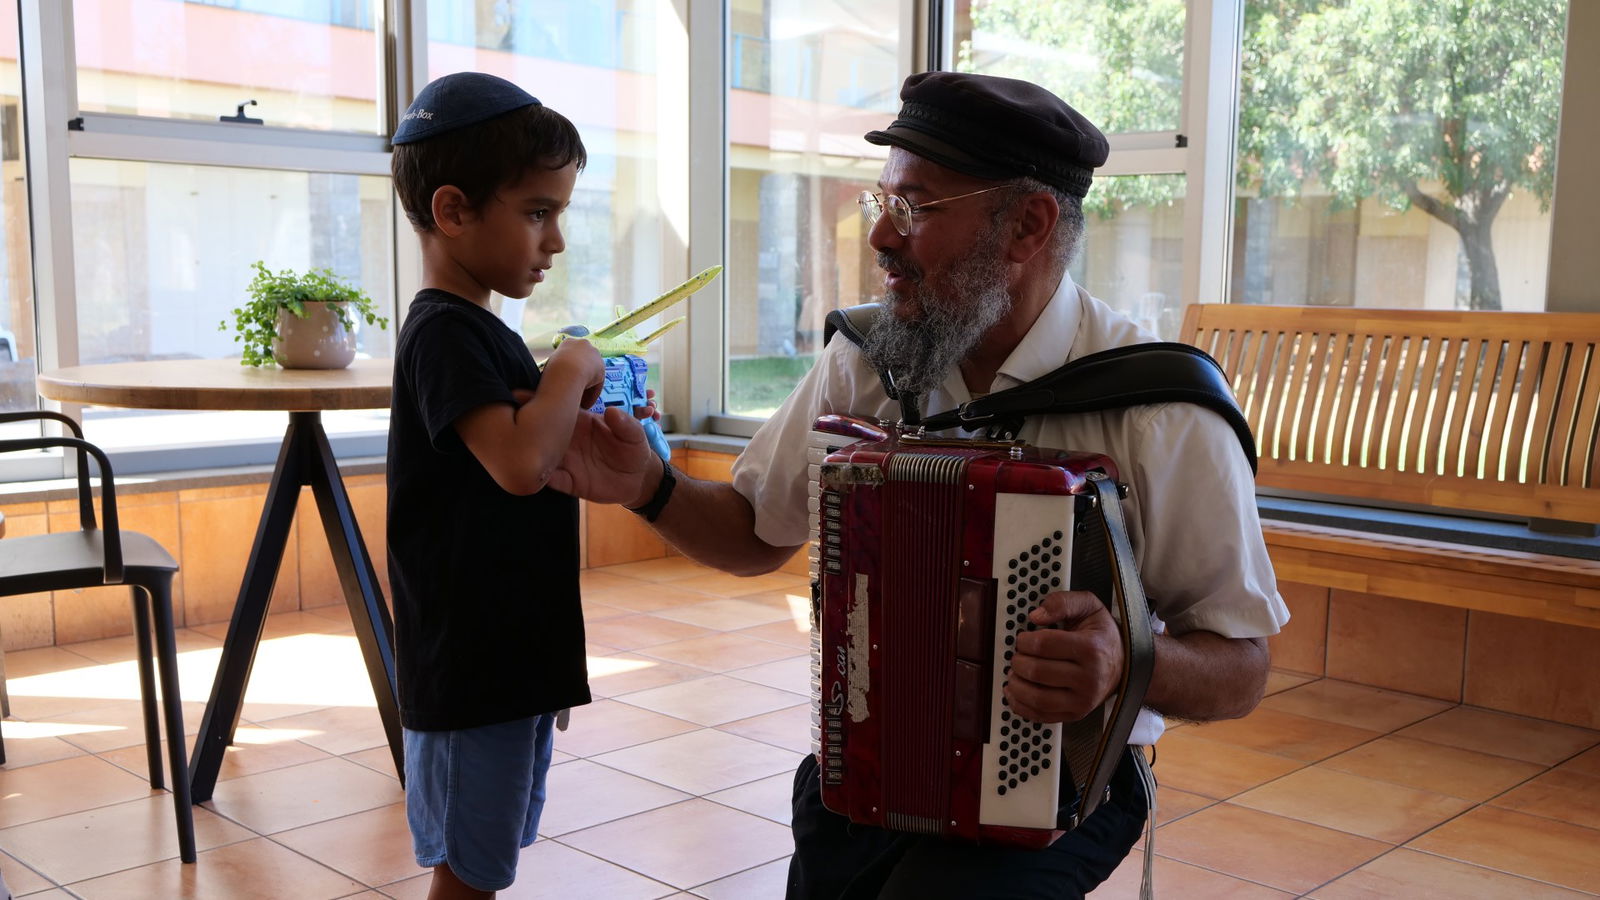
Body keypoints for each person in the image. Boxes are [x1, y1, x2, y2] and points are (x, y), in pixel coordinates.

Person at [556, 71, 1288, 899]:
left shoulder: (1157, 408)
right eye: (882, 202)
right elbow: (756, 530)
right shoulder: (867, 361)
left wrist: (1126, 660)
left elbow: (1243, 664)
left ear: (1027, 225)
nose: (878, 237)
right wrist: (647, 484)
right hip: (872, 759)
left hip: (1070, 782)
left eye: (915, 208)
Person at [386, 71, 629, 899]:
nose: (554, 240)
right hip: (470, 671)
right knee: (466, 876)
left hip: (509, 659)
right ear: (453, 211)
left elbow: (525, 445)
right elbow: (519, 465)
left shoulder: (480, 331)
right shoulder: (442, 331)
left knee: (489, 860)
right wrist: (569, 365)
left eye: (558, 213)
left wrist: (564, 397)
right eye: (537, 212)